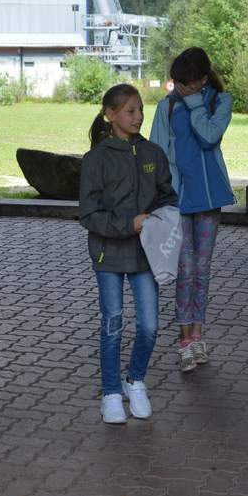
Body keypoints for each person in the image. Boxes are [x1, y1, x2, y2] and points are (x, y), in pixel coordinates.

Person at [79, 83, 177, 424]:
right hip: (107, 255)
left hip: (145, 256)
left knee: (149, 326)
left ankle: (135, 381)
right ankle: (110, 393)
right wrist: (128, 224)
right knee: (112, 325)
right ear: (110, 114)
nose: (138, 117)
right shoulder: (96, 159)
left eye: (140, 111)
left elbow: (168, 198)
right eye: (130, 111)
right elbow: (88, 214)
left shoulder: (153, 154)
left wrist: (163, 223)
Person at [150, 47, 234, 372]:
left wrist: (196, 103)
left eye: (187, 82)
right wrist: (156, 197)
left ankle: (198, 335)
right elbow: (157, 152)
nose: (181, 87)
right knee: (184, 269)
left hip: (210, 197)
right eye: (178, 82)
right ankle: (184, 340)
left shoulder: (219, 102)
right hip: (177, 200)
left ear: (202, 80)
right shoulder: (167, 107)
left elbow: (209, 137)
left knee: (202, 268)